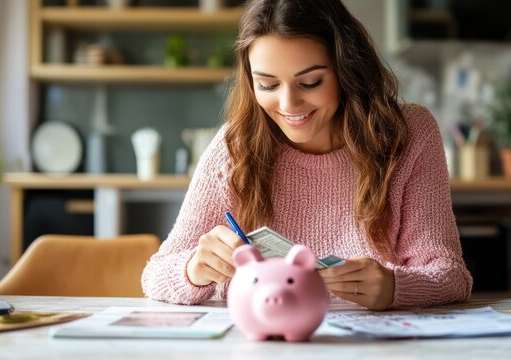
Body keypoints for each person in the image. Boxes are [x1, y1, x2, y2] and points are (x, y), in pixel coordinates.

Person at [142, 0, 472, 310]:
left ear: (347, 69)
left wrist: (394, 288)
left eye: (311, 82)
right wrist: (193, 270)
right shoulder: (236, 145)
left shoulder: (408, 134)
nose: (288, 105)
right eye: (268, 85)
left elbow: (450, 275)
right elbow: (155, 275)